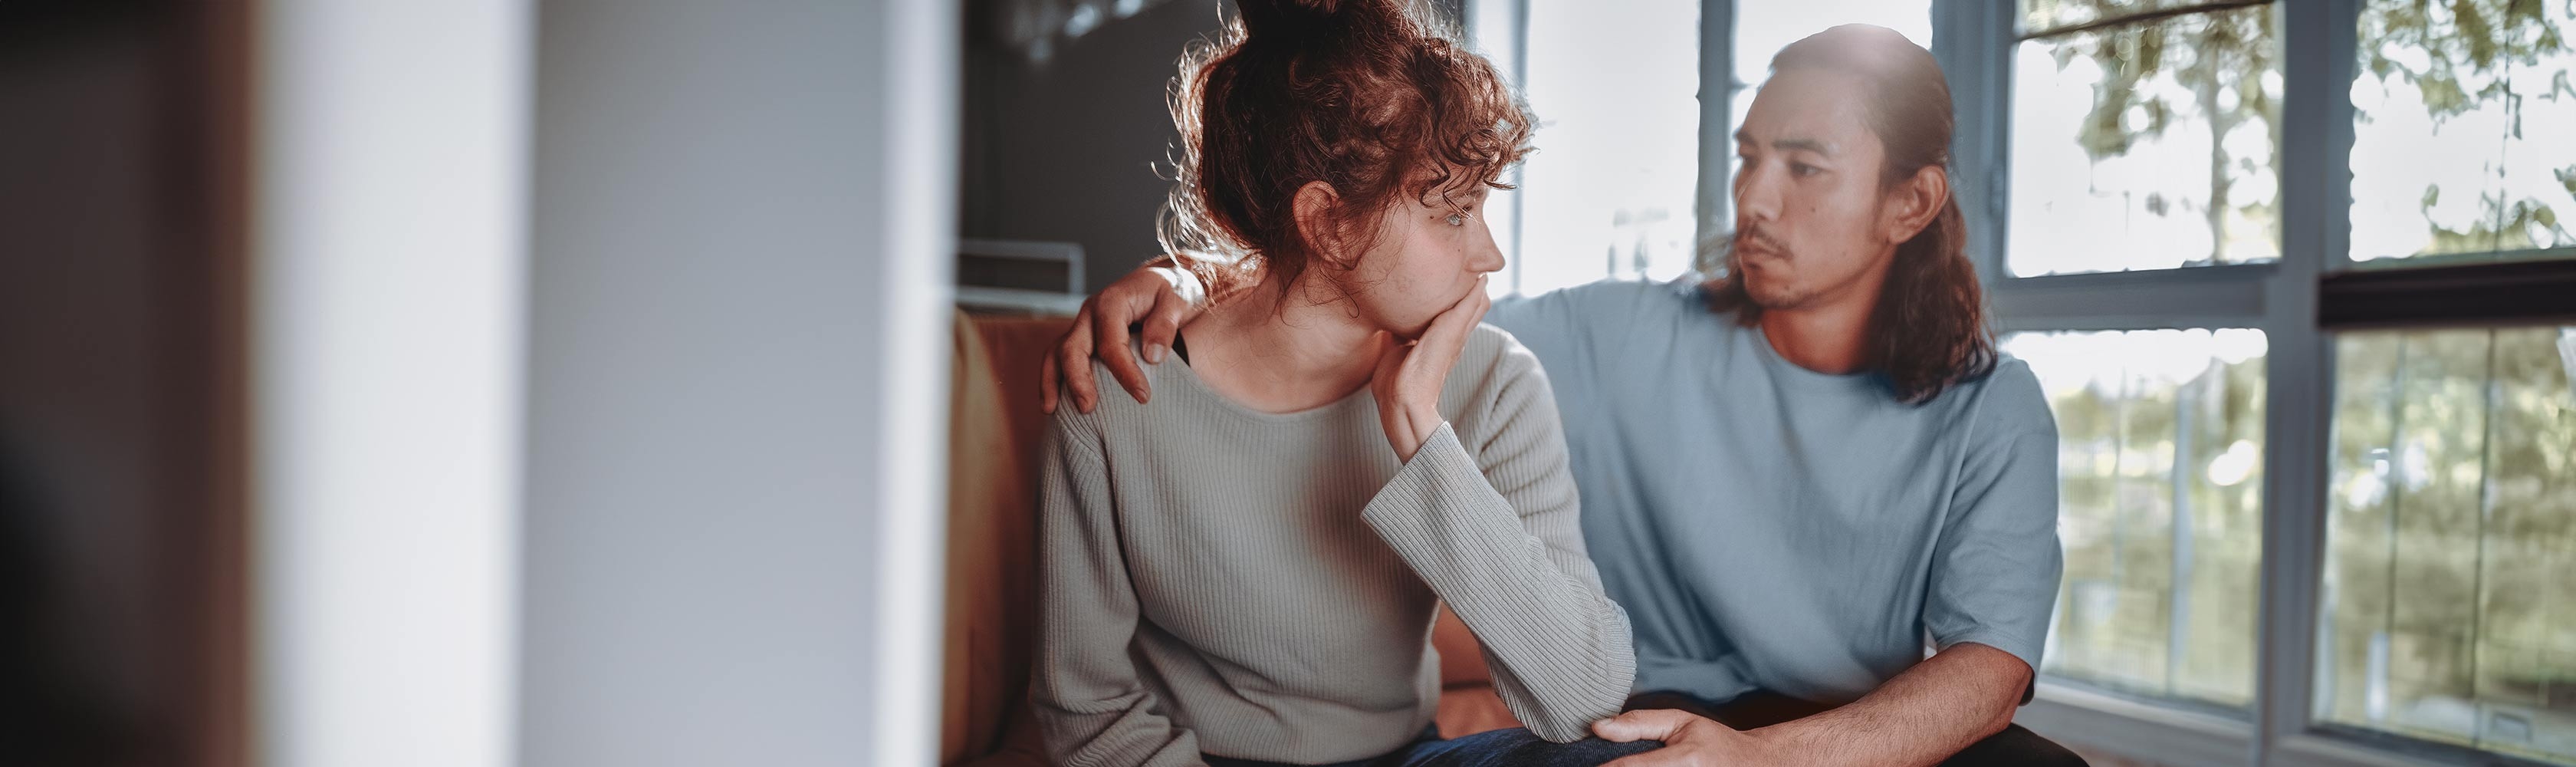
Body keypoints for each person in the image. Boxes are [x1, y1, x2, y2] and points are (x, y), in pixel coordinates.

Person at [1047, 24, 2087, 767]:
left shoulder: (1994, 410)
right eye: (1748, 155)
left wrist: (1767, 759)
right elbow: (1332, 288)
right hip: (1650, 706)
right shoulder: (1626, 331)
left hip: (1834, 727)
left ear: (1912, 201)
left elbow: (1987, 673)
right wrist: (1187, 276)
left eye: (1805, 168)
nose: (1755, 199)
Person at [1030, 2, 1652, 765]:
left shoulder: (1496, 380)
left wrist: (1422, 435)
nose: (1489, 255)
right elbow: (1086, 708)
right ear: (1327, 223)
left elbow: (1584, 694)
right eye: (1454, 214)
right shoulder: (1117, 395)